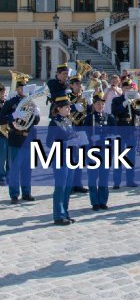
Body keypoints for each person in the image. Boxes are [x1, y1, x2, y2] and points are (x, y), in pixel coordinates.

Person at [0, 77, 40, 204]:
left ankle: (27, 192)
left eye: (25, 87)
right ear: (17, 88)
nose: (23, 90)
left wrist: (37, 114)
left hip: (29, 139)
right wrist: (13, 116)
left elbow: (36, 121)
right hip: (16, 138)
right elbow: (1, 119)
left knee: (27, 168)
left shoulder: (31, 102)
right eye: (21, 87)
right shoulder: (11, 102)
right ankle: (14, 194)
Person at [47, 96, 78, 225]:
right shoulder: (54, 123)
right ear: (59, 109)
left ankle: (65, 212)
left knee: (67, 187)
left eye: (69, 106)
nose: (69, 108)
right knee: (60, 187)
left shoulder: (68, 121)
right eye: (66, 107)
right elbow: (50, 142)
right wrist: (66, 144)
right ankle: (58, 215)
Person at [83, 93, 116, 211]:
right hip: (93, 151)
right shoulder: (89, 118)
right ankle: (94, 202)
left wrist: (105, 138)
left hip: (106, 151)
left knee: (104, 178)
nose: (100, 106)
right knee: (92, 178)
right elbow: (83, 134)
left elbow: (114, 132)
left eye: (102, 104)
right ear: (94, 104)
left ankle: (103, 201)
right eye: (98, 103)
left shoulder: (109, 117)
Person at [111, 78, 140, 189]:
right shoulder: (117, 100)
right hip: (120, 130)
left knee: (131, 158)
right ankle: (117, 181)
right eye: (126, 88)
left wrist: (137, 102)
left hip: (131, 132)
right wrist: (124, 104)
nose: (128, 89)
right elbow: (114, 112)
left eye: (130, 88)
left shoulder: (135, 99)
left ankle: (130, 180)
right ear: (122, 89)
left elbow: (139, 112)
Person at [0, 84, 8, 186]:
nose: (3, 95)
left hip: (7, 132)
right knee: (1, 157)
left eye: (3, 93)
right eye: (1, 93)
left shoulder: (6, 102)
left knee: (8, 155)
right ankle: (1, 175)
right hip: (0, 134)